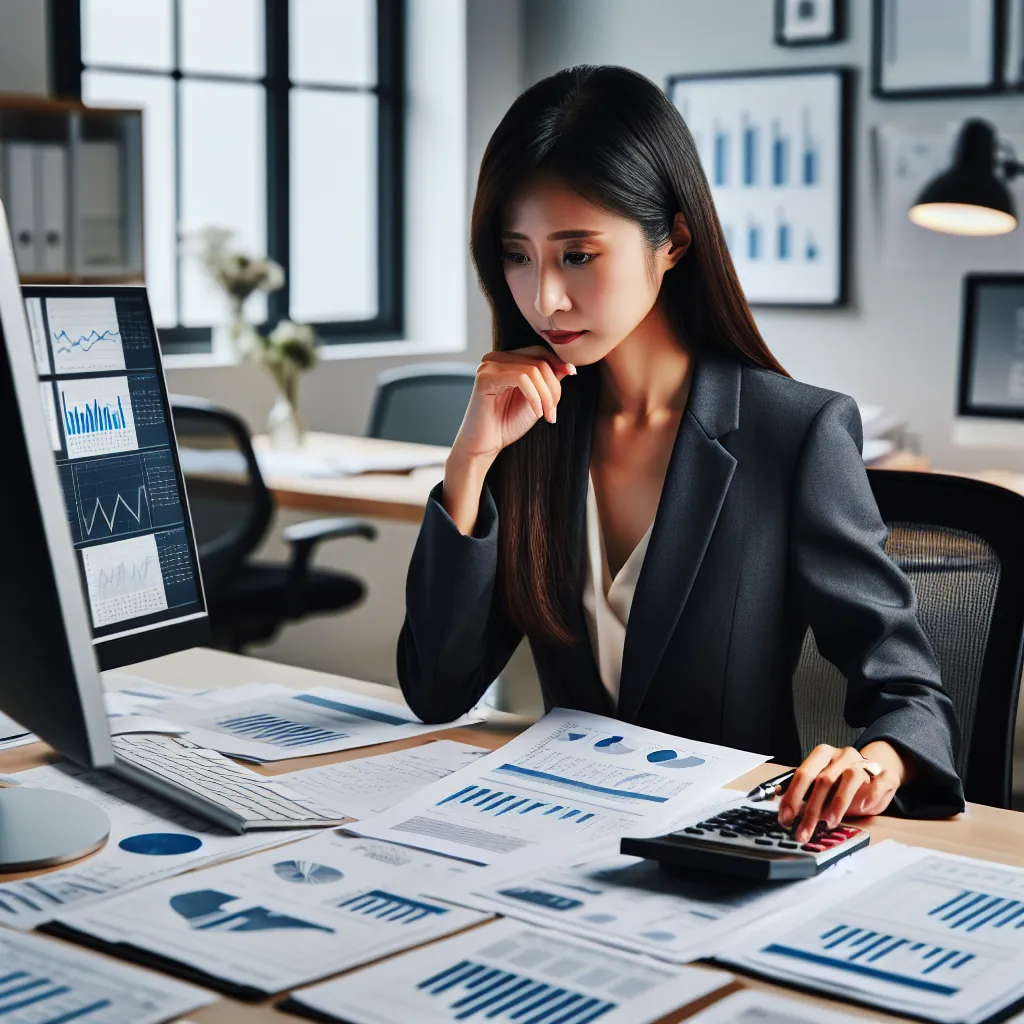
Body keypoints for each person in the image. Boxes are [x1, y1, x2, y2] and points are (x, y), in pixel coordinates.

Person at [398, 64, 964, 842]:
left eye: (578, 255)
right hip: (556, 837)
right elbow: (438, 688)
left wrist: (875, 763)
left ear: (674, 240)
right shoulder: (533, 429)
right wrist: (469, 463)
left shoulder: (795, 435)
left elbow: (909, 690)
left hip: (725, 848)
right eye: (517, 255)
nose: (544, 298)